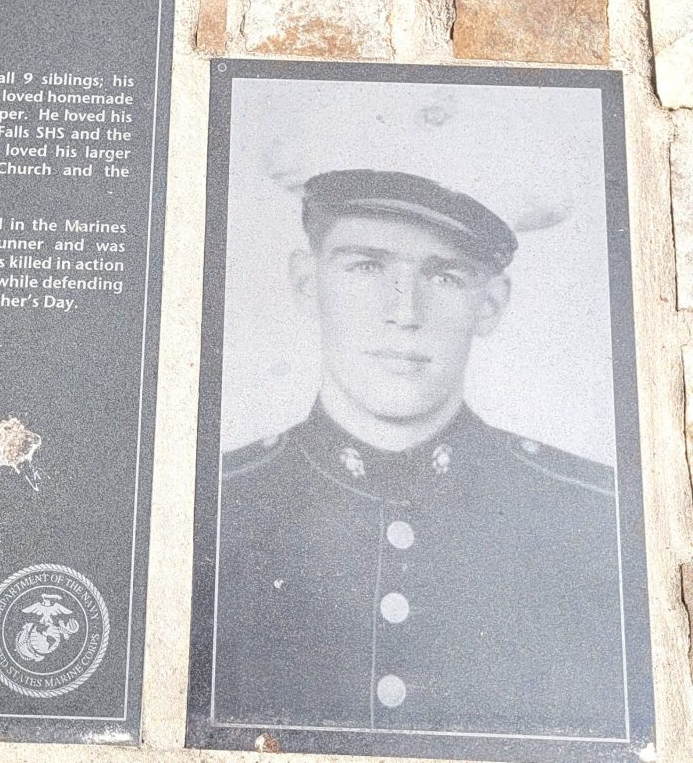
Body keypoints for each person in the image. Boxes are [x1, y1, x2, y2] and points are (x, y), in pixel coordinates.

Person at [214, 169, 626, 737]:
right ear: (307, 283)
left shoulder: (597, 518)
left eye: (445, 275)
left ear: (491, 305)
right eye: (366, 266)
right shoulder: (213, 505)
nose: (405, 312)